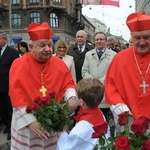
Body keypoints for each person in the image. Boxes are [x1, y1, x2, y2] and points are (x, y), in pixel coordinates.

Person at [9, 22, 78, 150]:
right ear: (31, 46)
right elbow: (16, 95)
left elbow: (68, 84)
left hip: (51, 123)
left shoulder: (58, 63)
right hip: (27, 125)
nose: (47, 49)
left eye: (49, 45)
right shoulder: (18, 64)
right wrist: (30, 121)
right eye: (42, 45)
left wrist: (72, 97)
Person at [105, 12, 150, 132]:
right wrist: (120, 108)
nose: (142, 42)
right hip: (128, 120)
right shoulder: (120, 58)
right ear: (131, 37)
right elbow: (110, 86)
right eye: (137, 38)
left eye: (146, 37)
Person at [57, 78, 110, 150]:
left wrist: (62, 135)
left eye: (76, 96)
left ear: (81, 102)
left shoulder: (83, 126)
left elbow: (68, 147)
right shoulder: (100, 114)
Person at [82, 31, 116, 136]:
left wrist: (99, 82)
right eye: (97, 39)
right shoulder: (88, 54)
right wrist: (93, 82)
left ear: (105, 41)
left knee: (108, 123)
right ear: (94, 41)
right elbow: (84, 71)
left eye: (101, 39)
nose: (99, 41)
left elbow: (113, 72)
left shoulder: (113, 55)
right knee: (93, 124)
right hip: (91, 94)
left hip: (106, 94)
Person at [0, 32, 19, 140]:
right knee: (2, 108)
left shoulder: (12, 52)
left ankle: (11, 128)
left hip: (9, 85)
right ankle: (6, 124)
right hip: (0, 86)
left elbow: (17, 69)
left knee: (10, 108)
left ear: (5, 40)